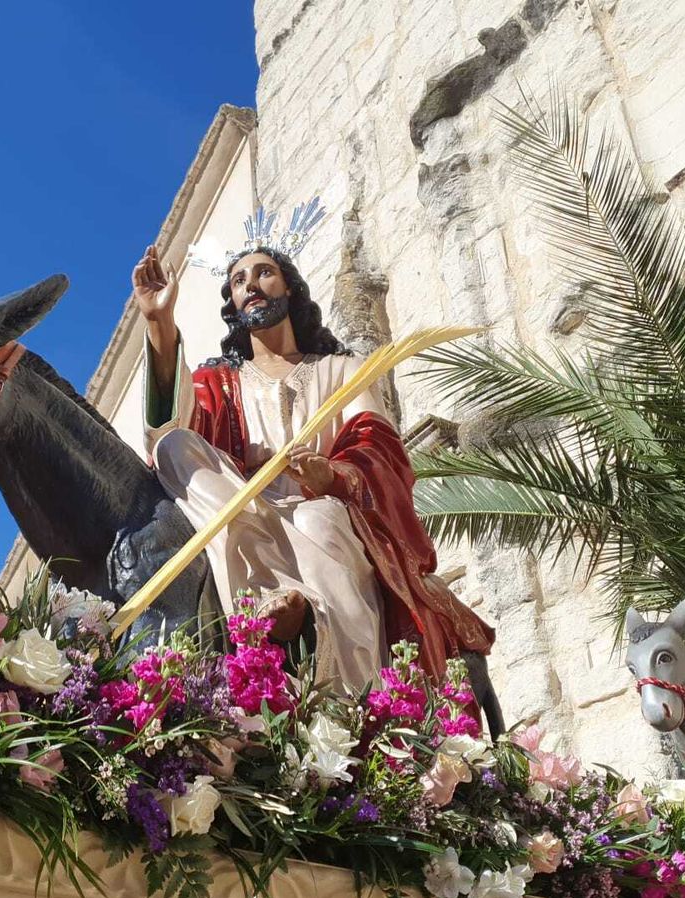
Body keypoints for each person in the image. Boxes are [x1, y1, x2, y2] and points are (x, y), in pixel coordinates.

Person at [132, 223, 493, 690]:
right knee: (172, 447)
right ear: (233, 303)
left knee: (319, 521)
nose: (252, 287)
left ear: (289, 287)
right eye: (240, 281)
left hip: (322, 506)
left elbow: (377, 446)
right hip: (238, 508)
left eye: (264, 273)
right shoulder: (218, 383)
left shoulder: (340, 369)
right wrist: (160, 323)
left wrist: (334, 475)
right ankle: (262, 600)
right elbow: (169, 430)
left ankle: (350, 696)